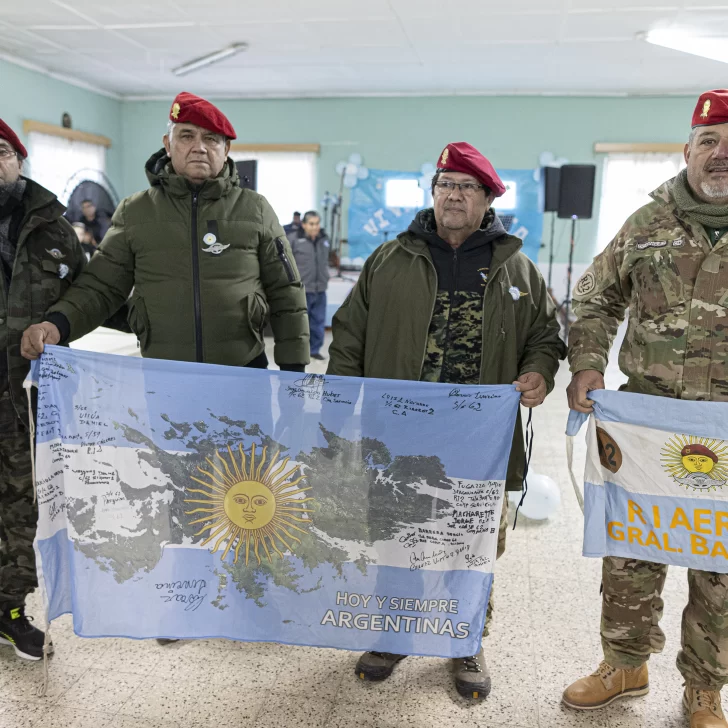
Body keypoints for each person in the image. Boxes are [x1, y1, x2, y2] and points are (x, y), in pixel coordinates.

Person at [327, 141, 565, 699]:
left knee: (473, 541)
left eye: (466, 187)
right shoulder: (390, 260)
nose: (454, 195)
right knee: (395, 535)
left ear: (487, 199)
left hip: (479, 440)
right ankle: (394, 632)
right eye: (444, 185)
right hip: (400, 432)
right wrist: (337, 407)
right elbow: (350, 336)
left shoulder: (518, 268)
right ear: (433, 194)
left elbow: (545, 337)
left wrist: (539, 372)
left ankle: (464, 637)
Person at [564, 89, 728, 728]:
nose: (721, 155)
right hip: (648, 421)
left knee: (720, 564)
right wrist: (587, 363)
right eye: (709, 142)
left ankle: (705, 687)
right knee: (633, 551)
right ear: (687, 150)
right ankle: (624, 662)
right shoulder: (646, 223)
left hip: (726, 428)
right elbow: (595, 296)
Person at [21, 91, 309, 376]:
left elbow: (287, 294)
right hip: (162, 376)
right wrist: (56, 324)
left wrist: (293, 371)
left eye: (211, 138)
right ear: (168, 145)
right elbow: (101, 286)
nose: (199, 147)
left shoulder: (255, 210)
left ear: (226, 149)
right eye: (186, 136)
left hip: (244, 372)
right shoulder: (135, 212)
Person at [0, 119, 86, 660]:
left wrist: (161, 324)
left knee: (20, 502)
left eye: (2, 151)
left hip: (31, 398)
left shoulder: (54, 229)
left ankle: (8, 609)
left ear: (19, 159)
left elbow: (92, 294)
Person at [289, 210, 329, 360]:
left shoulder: (324, 239)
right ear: (304, 225)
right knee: (299, 323)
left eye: (317, 223)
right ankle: (298, 351)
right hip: (302, 289)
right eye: (311, 224)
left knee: (318, 321)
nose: (315, 227)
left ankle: (314, 350)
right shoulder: (293, 239)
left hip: (320, 289)